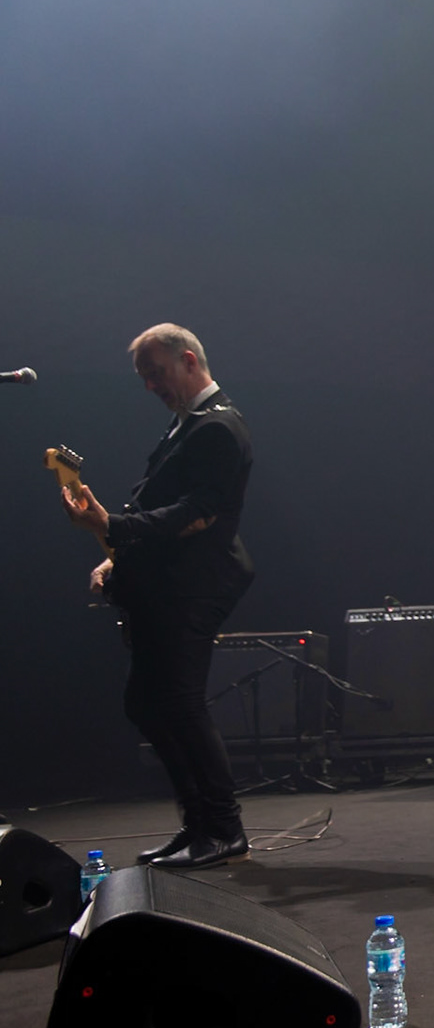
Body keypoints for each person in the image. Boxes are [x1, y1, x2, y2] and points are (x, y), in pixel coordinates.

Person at [63, 324, 256, 868]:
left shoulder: (218, 428)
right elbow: (168, 508)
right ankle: (199, 824)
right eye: (144, 378)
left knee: (177, 703)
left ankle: (222, 827)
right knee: (147, 704)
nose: (151, 386)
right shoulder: (187, 427)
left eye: (156, 374)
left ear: (189, 361)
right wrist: (115, 551)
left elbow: (196, 513)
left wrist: (113, 526)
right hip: (170, 584)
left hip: (193, 588)